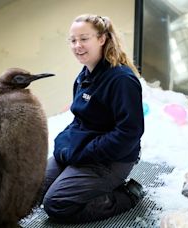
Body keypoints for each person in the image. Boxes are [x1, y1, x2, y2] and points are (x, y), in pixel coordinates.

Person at [41, 14, 145, 223]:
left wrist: (84, 153)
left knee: (57, 204)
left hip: (113, 158)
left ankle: (127, 195)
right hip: (85, 151)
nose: (77, 45)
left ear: (102, 39)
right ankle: (79, 180)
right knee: (31, 189)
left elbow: (129, 133)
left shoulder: (121, 80)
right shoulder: (84, 75)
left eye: (84, 38)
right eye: (73, 40)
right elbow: (80, 119)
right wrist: (63, 143)